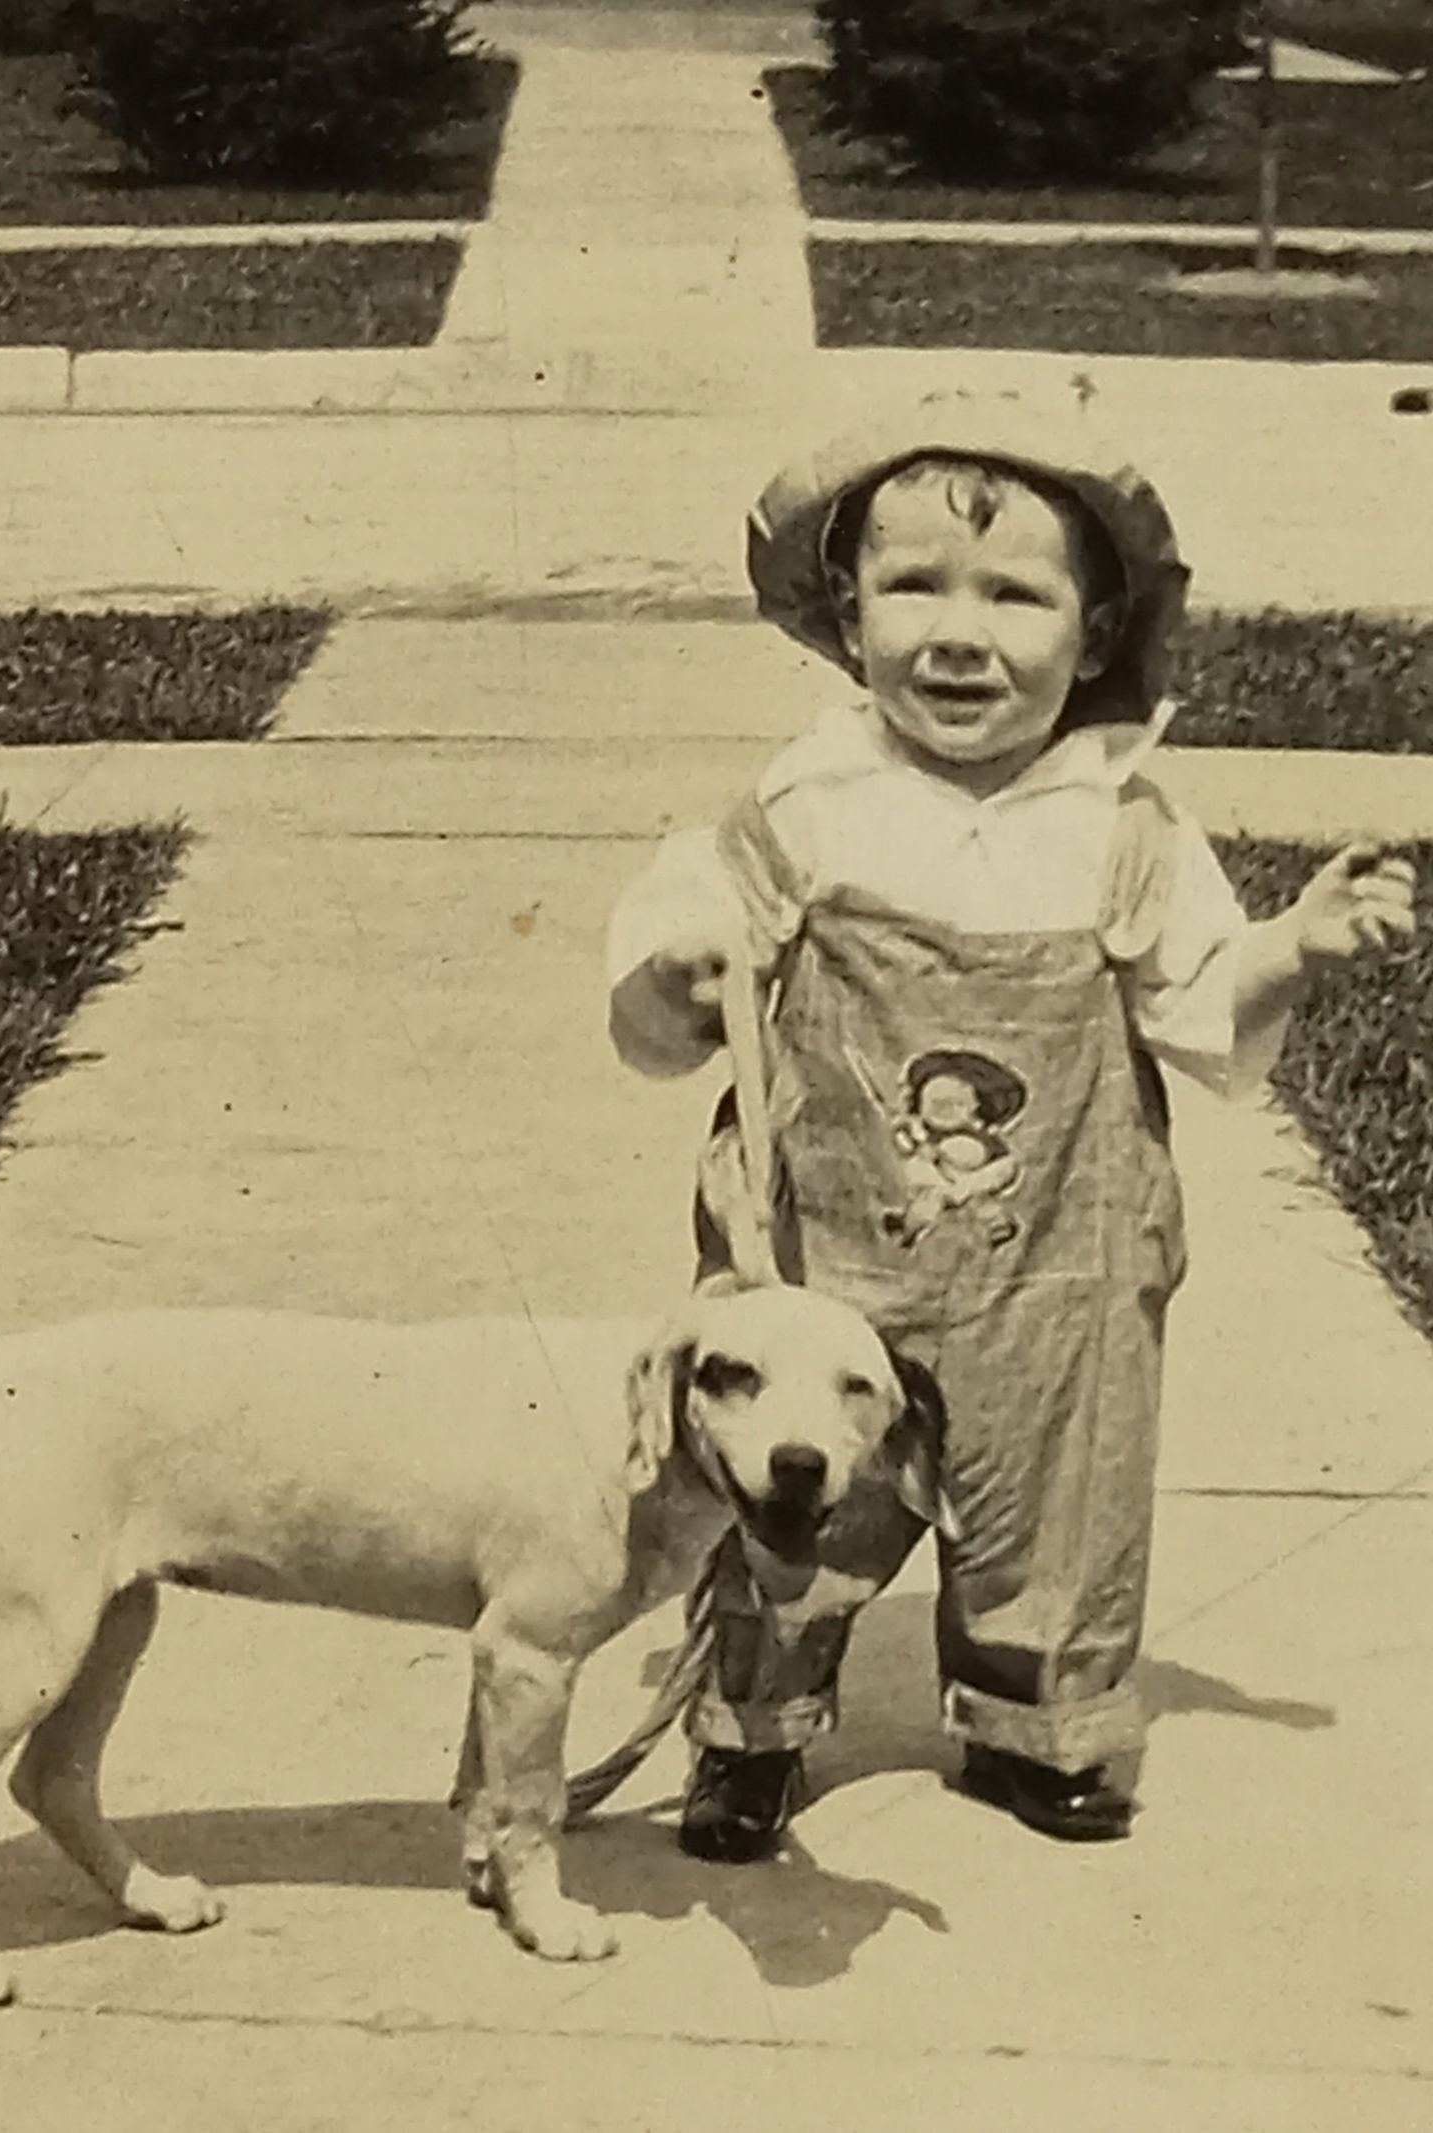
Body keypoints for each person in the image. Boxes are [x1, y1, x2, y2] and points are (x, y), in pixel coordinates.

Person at [604, 385, 1416, 1862]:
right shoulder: (813, 802)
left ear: (1094, 638)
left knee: (1065, 1493)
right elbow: (689, 917)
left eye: (1015, 594)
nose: (957, 632)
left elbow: (1196, 1000)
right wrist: (684, 959)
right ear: (848, 620)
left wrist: (1292, 946)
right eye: (912, 585)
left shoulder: (1124, 827)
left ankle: (1035, 1730)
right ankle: (753, 1738)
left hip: (1060, 1261)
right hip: (831, 1238)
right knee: (801, 1497)